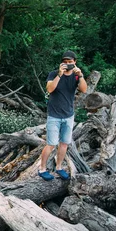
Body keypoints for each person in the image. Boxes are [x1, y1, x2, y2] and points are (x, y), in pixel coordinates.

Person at [38, 50, 87, 181]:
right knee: (51, 144)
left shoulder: (76, 76)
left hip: (68, 115)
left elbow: (84, 89)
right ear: (61, 63)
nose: (67, 64)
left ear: (75, 62)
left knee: (64, 143)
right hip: (54, 115)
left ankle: (59, 167)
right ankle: (42, 169)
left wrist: (81, 75)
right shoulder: (54, 74)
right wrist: (60, 74)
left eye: (70, 62)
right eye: (65, 62)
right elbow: (49, 89)